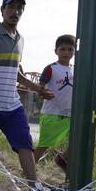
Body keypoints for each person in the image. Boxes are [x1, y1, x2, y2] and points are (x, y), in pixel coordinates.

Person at [0, 0, 63, 191]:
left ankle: (34, 190)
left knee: (25, 144)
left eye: (20, 8)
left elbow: (15, 72)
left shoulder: (20, 39)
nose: (15, 12)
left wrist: (36, 88)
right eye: (11, 7)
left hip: (13, 104)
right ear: (2, 9)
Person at [33, 34, 76, 174]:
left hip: (70, 114)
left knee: (78, 140)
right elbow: (41, 87)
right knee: (44, 145)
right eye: (62, 49)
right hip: (52, 113)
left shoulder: (75, 69)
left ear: (74, 51)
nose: (66, 52)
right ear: (56, 51)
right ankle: (29, 169)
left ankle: (62, 160)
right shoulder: (51, 68)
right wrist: (43, 92)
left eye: (70, 49)